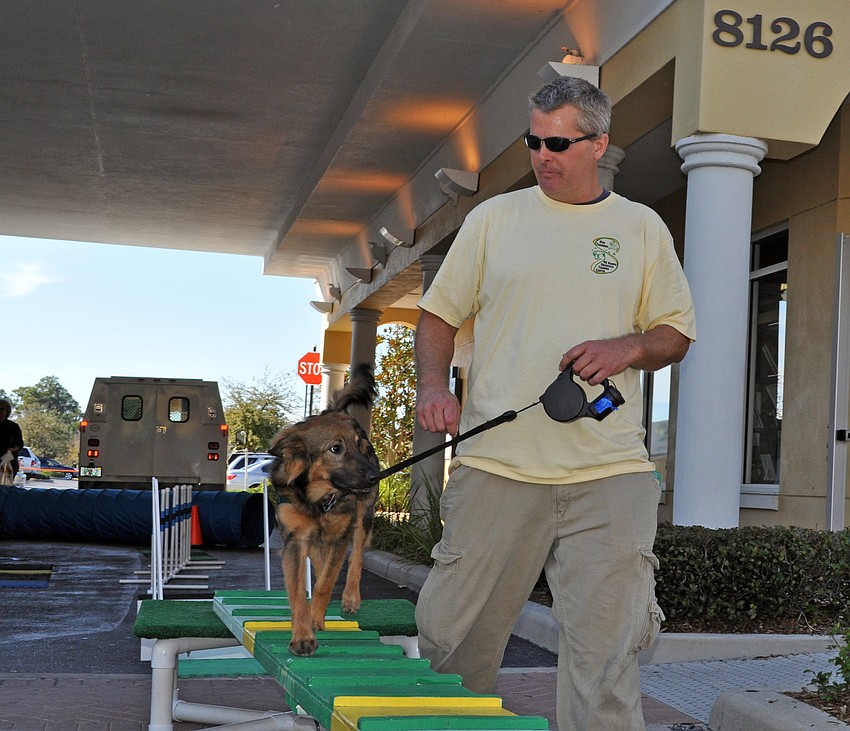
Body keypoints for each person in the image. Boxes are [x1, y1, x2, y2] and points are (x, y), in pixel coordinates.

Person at [413, 75, 696, 731]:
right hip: (496, 468)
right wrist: (432, 386)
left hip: (609, 473)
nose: (543, 156)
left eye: (559, 143)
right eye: (533, 142)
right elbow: (437, 318)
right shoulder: (492, 221)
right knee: (450, 645)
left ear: (600, 143)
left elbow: (674, 332)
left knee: (606, 664)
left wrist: (626, 347)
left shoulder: (640, 228)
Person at [0, 399, 24, 482]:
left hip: (8, 461)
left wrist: (12, 449)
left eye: (1, 409)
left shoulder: (13, 426)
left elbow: (20, 444)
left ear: (7, 411)